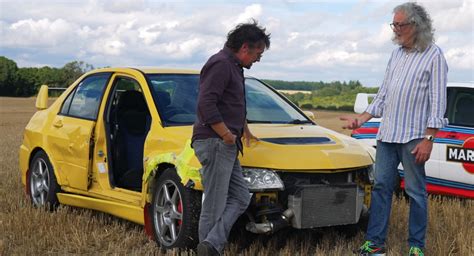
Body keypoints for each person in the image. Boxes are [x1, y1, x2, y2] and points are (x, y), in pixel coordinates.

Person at [341, 2, 448, 256]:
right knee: (381, 188)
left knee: (415, 193)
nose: (396, 30)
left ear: (417, 26)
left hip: (413, 138)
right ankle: (375, 243)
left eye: (401, 25)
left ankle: (415, 247)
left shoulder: (434, 56)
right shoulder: (396, 54)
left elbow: (438, 102)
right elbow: (383, 95)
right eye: (394, 24)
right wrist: (362, 119)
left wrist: (429, 138)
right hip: (387, 136)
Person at [191, 21, 270, 256]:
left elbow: (229, 103)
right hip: (216, 143)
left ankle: (211, 244)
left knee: (241, 197)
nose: (258, 58)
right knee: (214, 205)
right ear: (245, 47)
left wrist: (243, 129)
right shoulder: (221, 64)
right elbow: (206, 104)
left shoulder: (233, 66)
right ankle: (208, 249)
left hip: (225, 144)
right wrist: (226, 134)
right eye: (258, 53)